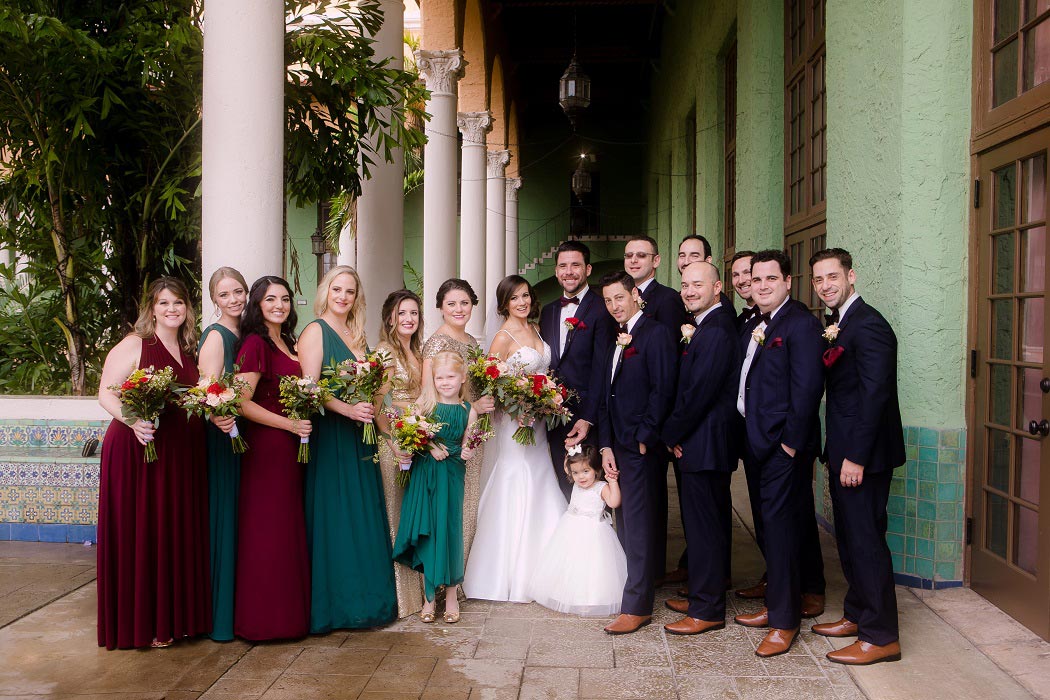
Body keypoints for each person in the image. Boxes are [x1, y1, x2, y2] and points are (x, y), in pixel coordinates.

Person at [96, 277, 210, 649]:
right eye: (164, 303)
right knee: (143, 530)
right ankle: (144, 624)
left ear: (187, 309)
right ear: (152, 308)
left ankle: (171, 620)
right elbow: (106, 393)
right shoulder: (135, 344)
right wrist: (133, 421)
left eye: (178, 303)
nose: (172, 309)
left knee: (168, 530)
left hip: (177, 454)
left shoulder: (187, 350)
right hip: (138, 449)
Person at [810, 248, 904, 666]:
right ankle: (857, 614)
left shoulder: (870, 326)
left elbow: (874, 397)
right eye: (818, 280)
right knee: (847, 539)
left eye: (833, 276)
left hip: (863, 457)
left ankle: (880, 636)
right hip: (845, 451)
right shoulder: (840, 323)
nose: (826, 285)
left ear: (852, 276)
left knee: (866, 544)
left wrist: (855, 458)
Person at [733, 250, 825, 657]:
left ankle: (785, 622)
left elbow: (807, 390)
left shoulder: (801, 324)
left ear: (788, 281)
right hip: (757, 444)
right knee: (770, 529)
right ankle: (776, 606)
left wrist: (789, 444)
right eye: (757, 279)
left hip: (781, 449)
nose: (763, 285)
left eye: (772, 278)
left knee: (784, 534)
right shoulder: (758, 322)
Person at [298, 266, 396, 632]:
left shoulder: (356, 333)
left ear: (357, 298)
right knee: (336, 516)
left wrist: (374, 403)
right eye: (337, 289)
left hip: (361, 433)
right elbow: (310, 388)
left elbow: (370, 387)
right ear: (326, 292)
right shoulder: (315, 331)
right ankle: (337, 607)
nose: (343, 296)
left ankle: (368, 602)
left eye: (350, 292)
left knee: (362, 513)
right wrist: (347, 409)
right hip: (333, 435)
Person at [463, 276, 567, 602]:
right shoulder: (501, 337)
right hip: (514, 423)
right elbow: (488, 383)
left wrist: (546, 399)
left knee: (540, 474)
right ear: (504, 304)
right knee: (517, 475)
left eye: (525, 296)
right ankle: (507, 570)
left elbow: (542, 375)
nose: (521, 302)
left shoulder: (536, 329)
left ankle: (543, 564)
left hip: (537, 422)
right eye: (514, 298)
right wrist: (517, 405)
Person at [660, 262, 740, 635]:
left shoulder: (718, 329)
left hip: (705, 443)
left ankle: (706, 609)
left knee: (704, 529)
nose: (689, 291)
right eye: (685, 284)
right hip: (701, 441)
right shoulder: (708, 323)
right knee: (705, 526)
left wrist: (670, 434)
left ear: (718, 287)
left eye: (698, 284)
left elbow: (700, 394)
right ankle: (702, 596)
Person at [596, 271, 676, 635]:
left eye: (619, 298)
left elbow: (663, 388)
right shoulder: (619, 335)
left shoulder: (656, 333)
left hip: (641, 446)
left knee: (640, 526)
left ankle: (638, 606)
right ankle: (633, 591)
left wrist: (646, 436)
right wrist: (607, 444)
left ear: (635, 295)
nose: (614, 305)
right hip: (619, 445)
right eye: (609, 300)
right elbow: (608, 394)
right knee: (624, 520)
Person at [233, 276, 312, 641]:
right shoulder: (255, 343)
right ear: (257, 304)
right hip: (268, 447)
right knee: (268, 531)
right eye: (270, 299)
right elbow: (241, 402)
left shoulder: (288, 341)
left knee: (286, 529)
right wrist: (289, 424)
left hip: (291, 447)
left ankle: (290, 617)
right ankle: (264, 622)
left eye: (285, 298)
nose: (279, 305)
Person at [392, 351, 478, 623]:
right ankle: (429, 598)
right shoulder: (425, 404)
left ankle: (451, 596)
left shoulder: (469, 410)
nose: (444, 382)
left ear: (462, 378)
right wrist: (430, 445)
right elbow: (411, 433)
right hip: (427, 473)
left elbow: (470, 440)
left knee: (451, 530)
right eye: (439, 377)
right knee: (429, 529)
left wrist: (468, 451)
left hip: (453, 474)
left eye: (450, 376)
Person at [421, 279, 496, 559]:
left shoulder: (472, 342)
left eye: (464, 303)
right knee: (451, 505)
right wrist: (472, 406)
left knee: (469, 502)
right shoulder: (436, 343)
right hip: (450, 434)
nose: (459, 309)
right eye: (451, 303)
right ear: (440, 307)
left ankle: (460, 572)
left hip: (474, 431)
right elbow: (428, 394)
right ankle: (445, 575)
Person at [539, 241, 614, 501]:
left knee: (590, 492)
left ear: (588, 269)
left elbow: (603, 369)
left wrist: (589, 418)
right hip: (552, 419)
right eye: (562, 266)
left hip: (585, 420)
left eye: (575, 265)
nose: (568, 271)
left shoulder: (602, 308)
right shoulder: (548, 312)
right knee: (562, 486)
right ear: (556, 271)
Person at [197, 267, 248, 642]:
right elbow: (206, 389)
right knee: (224, 515)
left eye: (239, 292)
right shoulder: (216, 336)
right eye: (225, 294)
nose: (234, 299)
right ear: (214, 299)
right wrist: (218, 415)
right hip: (221, 435)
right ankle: (219, 616)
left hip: (240, 432)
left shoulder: (244, 333)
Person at [374, 289, 427, 619]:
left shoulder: (417, 351)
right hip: (394, 442)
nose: (409, 319)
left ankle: (422, 593)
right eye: (402, 313)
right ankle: (401, 598)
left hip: (418, 439)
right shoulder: (384, 352)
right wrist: (395, 441)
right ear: (390, 317)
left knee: (414, 517)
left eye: (414, 313)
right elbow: (379, 405)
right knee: (396, 518)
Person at [529, 445, 627, 616]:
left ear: (596, 470)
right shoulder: (576, 481)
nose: (580, 477)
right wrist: (569, 451)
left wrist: (613, 482)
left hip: (593, 533)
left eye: (585, 471)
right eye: (576, 473)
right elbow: (567, 465)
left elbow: (613, 502)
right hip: (570, 529)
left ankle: (590, 598)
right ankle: (565, 594)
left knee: (591, 566)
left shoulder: (600, 487)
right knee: (569, 563)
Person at [730, 250, 759, 331]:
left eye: (747, 272)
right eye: (735, 275)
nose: (741, 281)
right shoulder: (737, 322)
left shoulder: (780, 315)